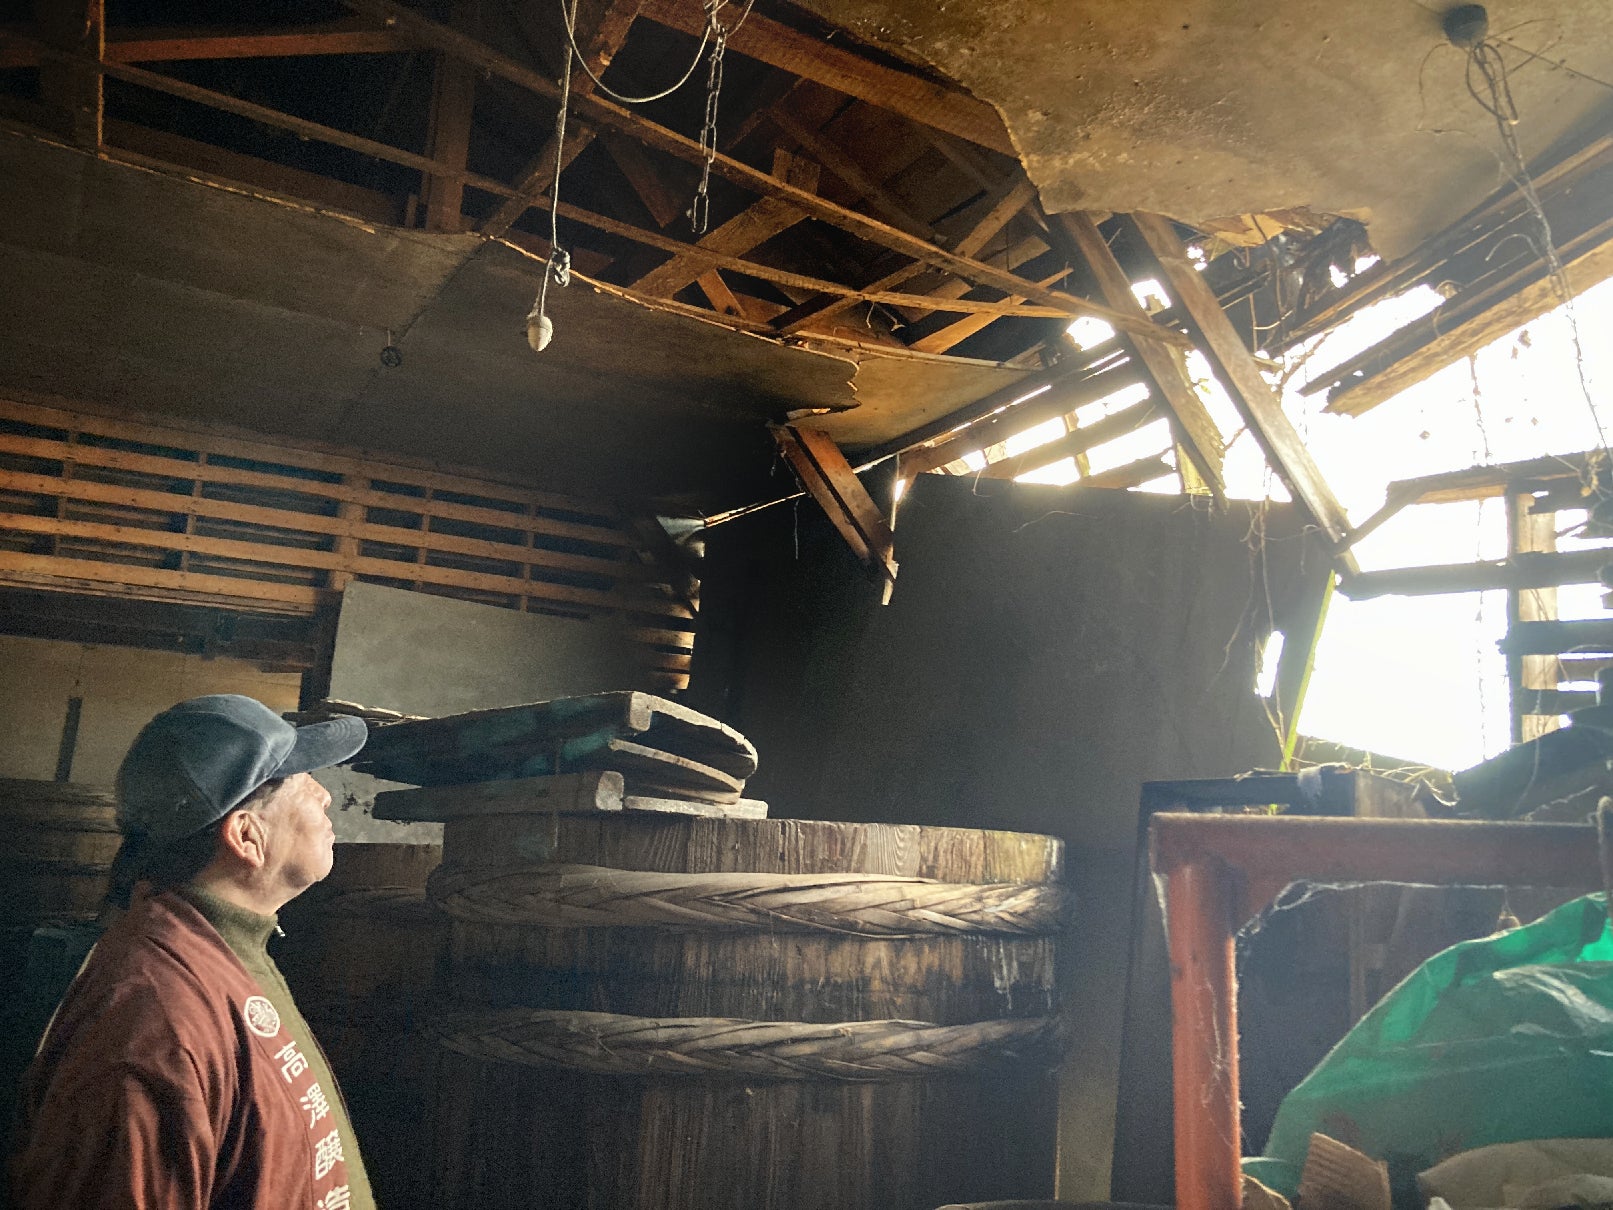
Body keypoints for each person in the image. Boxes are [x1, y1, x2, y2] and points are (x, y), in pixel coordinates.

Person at [9, 694, 375, 1210]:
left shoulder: (223, 946)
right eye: (301, 779)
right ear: (247, 837)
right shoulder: (155, 1021)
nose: (325, 795)